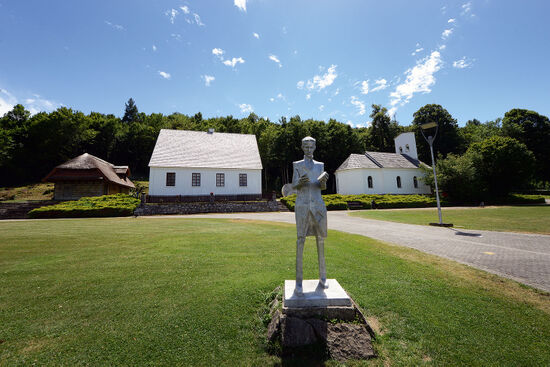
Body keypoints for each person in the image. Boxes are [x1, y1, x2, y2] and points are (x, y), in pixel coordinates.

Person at [291, 136, 329, 294]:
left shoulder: (320, 166)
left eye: (311, 146)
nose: (308, 149)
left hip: (318, 206)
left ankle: (323, 277)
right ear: (302, 147)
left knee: (320, 241)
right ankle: (298, 282)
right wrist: (299, 181)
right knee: (300, 241)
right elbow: (293, 186)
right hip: (302, 206)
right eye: (305, 146)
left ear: (314, 147)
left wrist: (323, 182)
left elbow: (323, 187)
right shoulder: (297, 165)